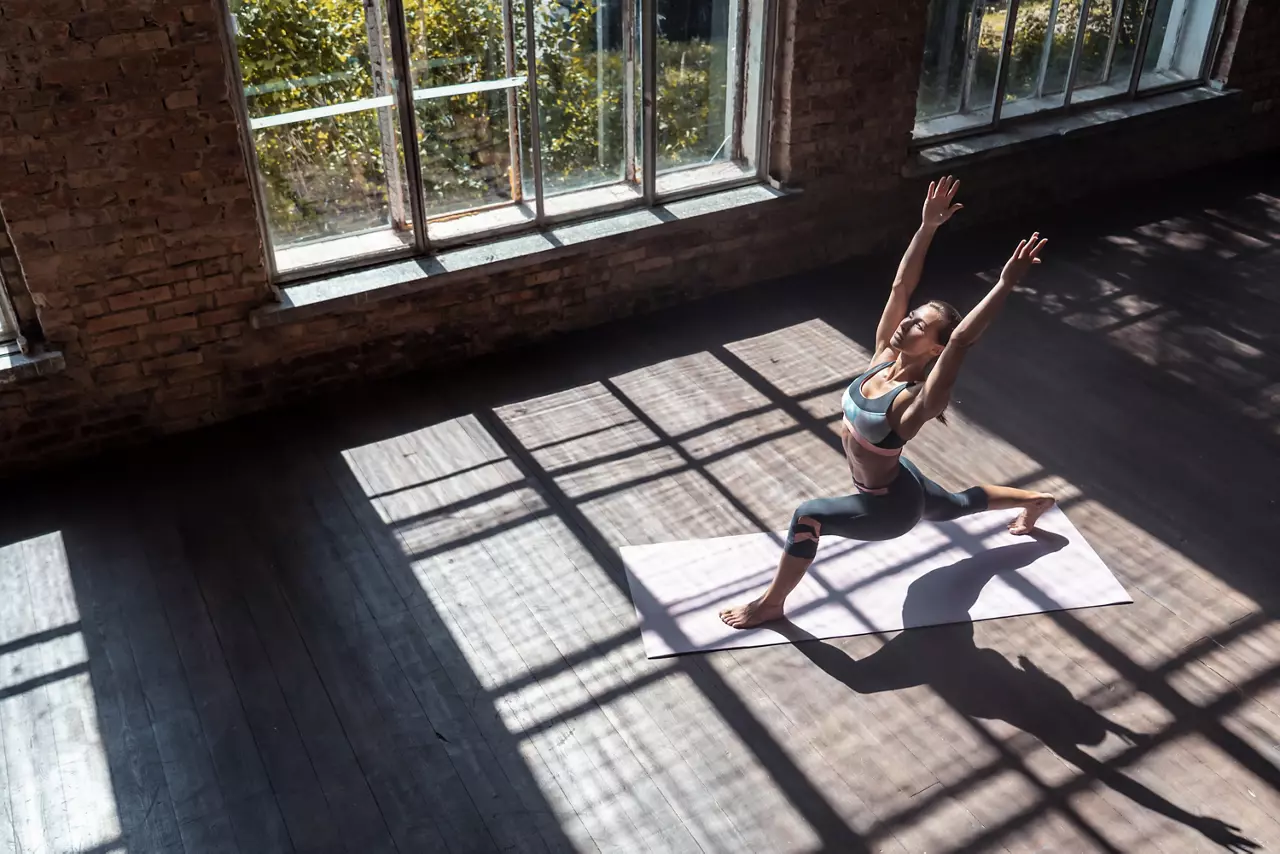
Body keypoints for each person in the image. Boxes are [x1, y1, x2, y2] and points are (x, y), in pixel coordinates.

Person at [720, 175, 1057, 630]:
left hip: (889, 506)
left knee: (808, 517)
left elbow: (960, 342)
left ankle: (770, 605)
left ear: (934, 349)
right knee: (958, 504)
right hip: (901, 482)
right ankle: (1037, 499)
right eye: (913, 318)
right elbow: (901, 286)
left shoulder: (913, 403)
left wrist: (1004, 284)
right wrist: (927, 227)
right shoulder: (883, 355)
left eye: (921, 327)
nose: (908, 324)